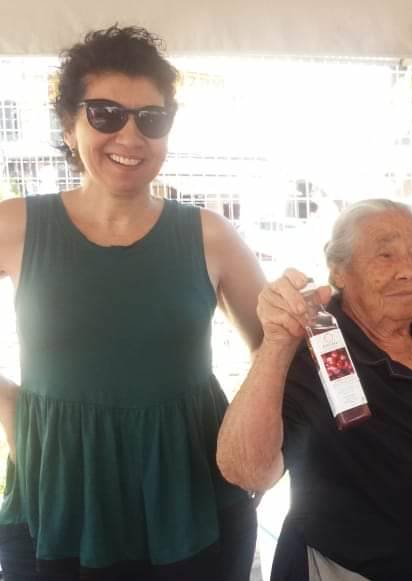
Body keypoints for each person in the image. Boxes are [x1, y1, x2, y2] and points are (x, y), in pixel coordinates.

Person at [0, 26, 265, 580]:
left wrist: (249, 444)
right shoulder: (16, 225)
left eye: (151, 118)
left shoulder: (209, 235)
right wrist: (11, 411)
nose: (130, 135)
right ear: (69, 126)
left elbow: (274, 351)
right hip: (59, 493)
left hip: (192, 496)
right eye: (105, 114)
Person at [217, 199, 412, 580]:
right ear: (338, 270)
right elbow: (247, 471)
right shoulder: (315, 354)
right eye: (385, 255)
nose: (408, 271)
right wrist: (276, 344)